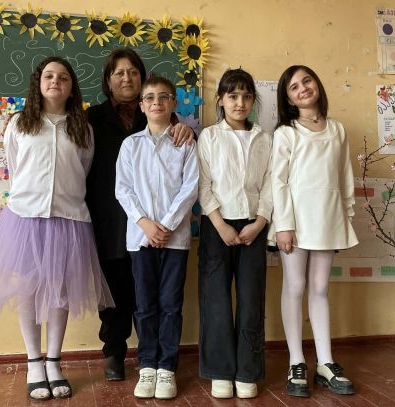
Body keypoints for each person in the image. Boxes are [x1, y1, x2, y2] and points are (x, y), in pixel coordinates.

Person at [0, 56, 114, 401]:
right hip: (26, 219)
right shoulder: (20, 123)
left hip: (69, 219)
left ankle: (54, 361)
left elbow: (83, 169)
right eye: (49, 76)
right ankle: (33, 362)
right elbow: (14, 167)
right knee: (28, 289)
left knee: (59, 292)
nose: (56, 82)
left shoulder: (82, 128)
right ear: (39, 83)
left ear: (71, 87)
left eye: (63, 77)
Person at [86, 48, 194, 381]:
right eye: (119, 73)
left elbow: (188, 176)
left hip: (161, 224)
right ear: (108, 80)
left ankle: (157, 360)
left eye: (133, 71)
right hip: (112, 218)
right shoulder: (92, 118)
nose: (126, 78)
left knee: (155, 297)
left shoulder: (170, 124)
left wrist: (186, 128)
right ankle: (115, 352)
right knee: (115, 291)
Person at [270, 65, 358, 398]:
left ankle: (325, 362)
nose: (303, 88)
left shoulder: (337, 129)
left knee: (320, 288)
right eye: (294, 87)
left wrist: (346, 214)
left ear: (317, 84)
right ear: (288, 99)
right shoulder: (286, 132)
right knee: (295, 286)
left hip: (327, 218)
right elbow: (278, 181)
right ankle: (296, 362)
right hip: (295, 222)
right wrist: (284, 225)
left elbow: (344, 174)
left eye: (306, 81)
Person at [115, 76, 199, 400]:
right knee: (145, 304)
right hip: (140, 238)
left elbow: (190, 188)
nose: (156, 102)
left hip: (175, 239)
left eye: (164, 97)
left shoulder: (185, 143)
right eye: (149, 97)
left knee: (170, 304)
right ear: (141, 106)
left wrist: (165, 226)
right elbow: (123, 189)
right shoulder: (131, 145)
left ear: (173, 103)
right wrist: (146, 224)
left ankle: (167, 368)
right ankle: (147, 364)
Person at [197, 68, 272, 399]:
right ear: (220, 100)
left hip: (254, 227)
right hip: (218, 226)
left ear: (253, 101)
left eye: (246, 96)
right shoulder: (209, 137)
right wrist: (220, 224)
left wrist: (260, 221)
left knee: (251, 299)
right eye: (232, 96)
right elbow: (203, 184)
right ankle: (220, 371)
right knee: (215, 299)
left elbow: (271, 184)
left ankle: (247, 371)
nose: (240, 102)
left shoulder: (265, 138)